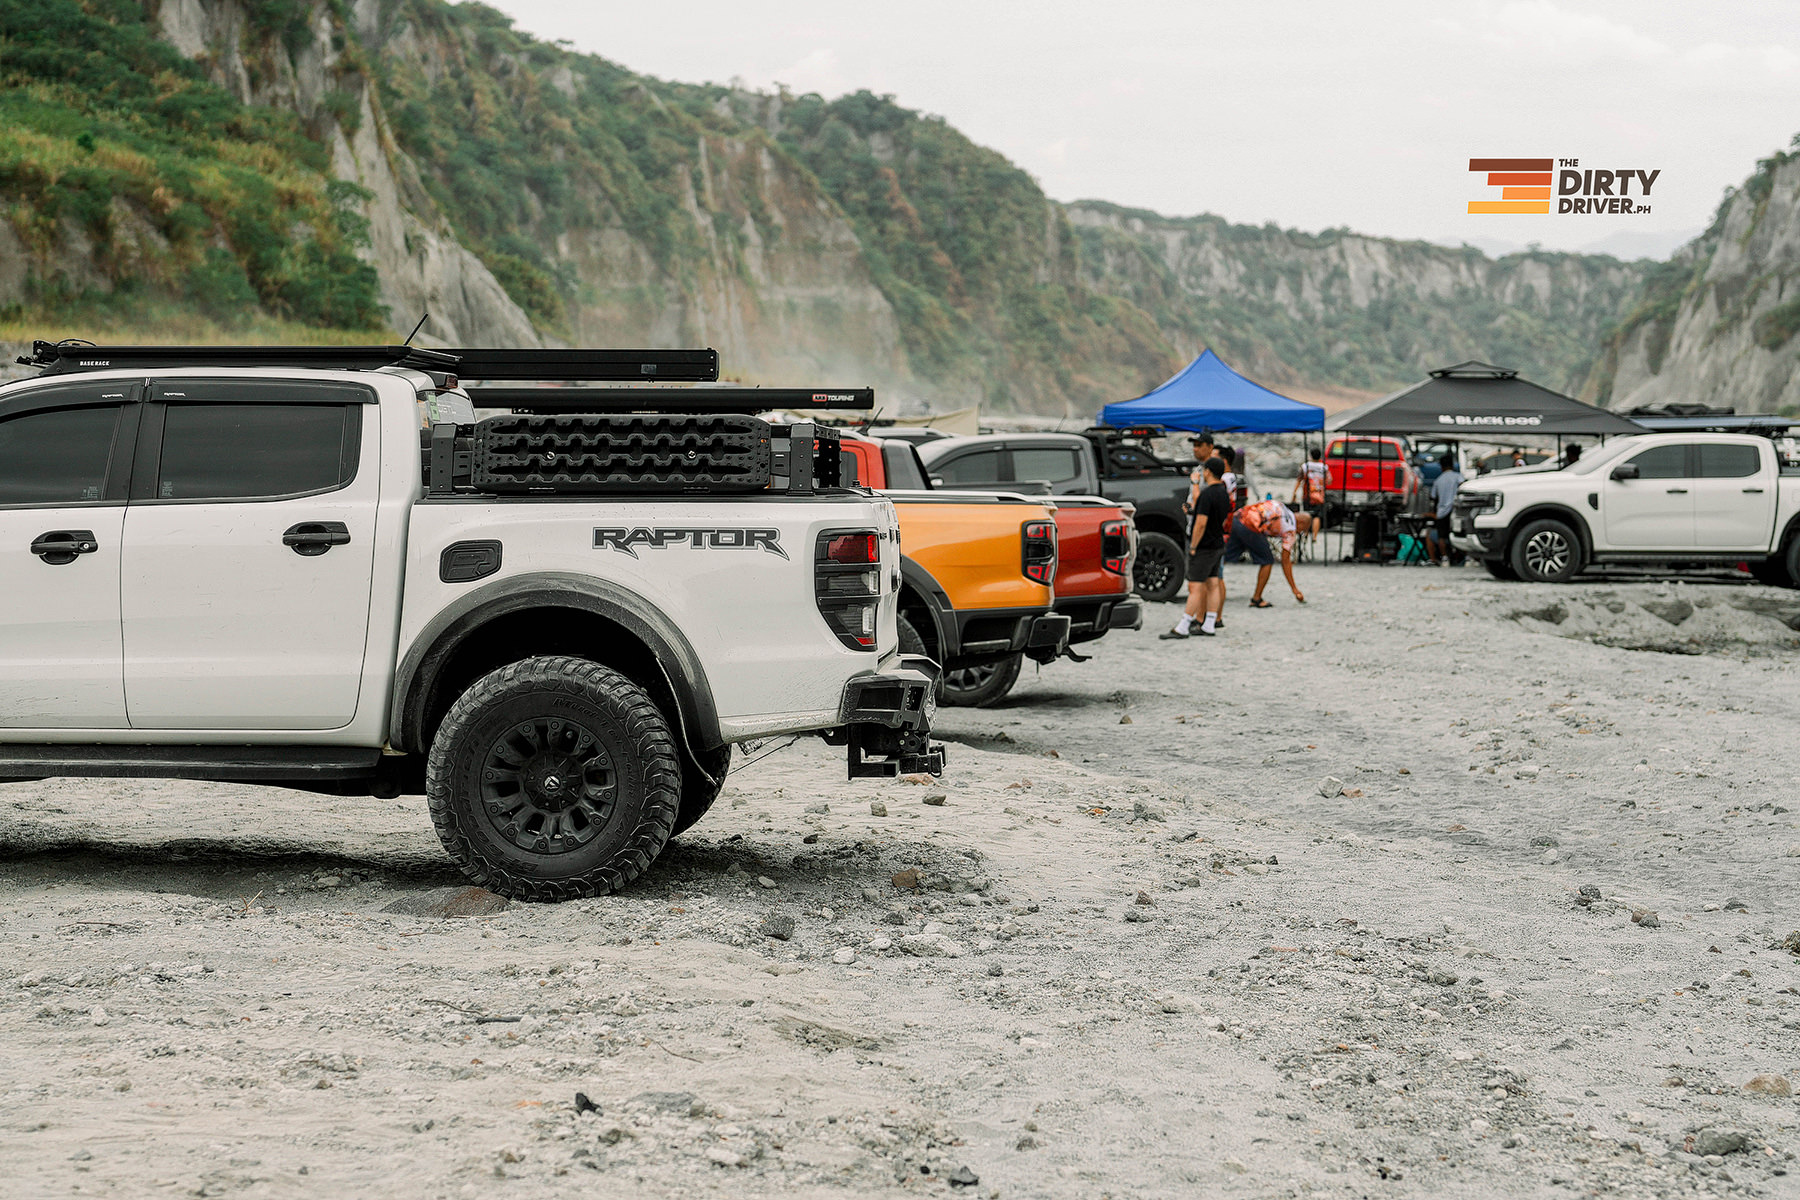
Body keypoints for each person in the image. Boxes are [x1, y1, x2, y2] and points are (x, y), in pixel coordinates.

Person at [1162, 455, 1229, 639]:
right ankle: (1210, 623)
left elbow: (1200, 523)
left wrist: (1193, 546)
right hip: (1217, 543)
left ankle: (1183, 626)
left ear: (1208, 471)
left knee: (1195, 586)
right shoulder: (1223, 492)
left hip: (1204, 546)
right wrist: (1193, 510)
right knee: (1213, 583)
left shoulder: (1207, 494)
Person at [1231, 497, 1306, 606]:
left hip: (1238, 517)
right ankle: (1257, 598)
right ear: (1302, 524)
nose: (1301, 533)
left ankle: (1209, 585)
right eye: (1303, 530)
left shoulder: (1281, 505)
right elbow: (1285, 562)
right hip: (1252, 526)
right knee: (1267, 561)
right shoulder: (1290, 531)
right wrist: (1295, 589)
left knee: (1222, 555)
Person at [1424, 455, 1464, 565]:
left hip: (1442, 512)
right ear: (1452, 465)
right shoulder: (1458, 476)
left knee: (1441, 536)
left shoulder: (1438, 480)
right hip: (1456, 510)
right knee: (1460, 533)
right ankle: (1466, 558)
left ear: (1441, 466)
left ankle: (1445, 558)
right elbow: (1463, 487)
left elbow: (1433, 496)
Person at [1292, 447, 1326, 547]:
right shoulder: (1324, 466)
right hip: (1319, 495)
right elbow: (1329, 480)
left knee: (1307, 515)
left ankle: (1306, 533)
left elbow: (1299, 479)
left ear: (1311, 455)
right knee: (1317, 516)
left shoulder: (1305, 466)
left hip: (1308, 495)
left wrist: (1294, 493)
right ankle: (1314, 536)